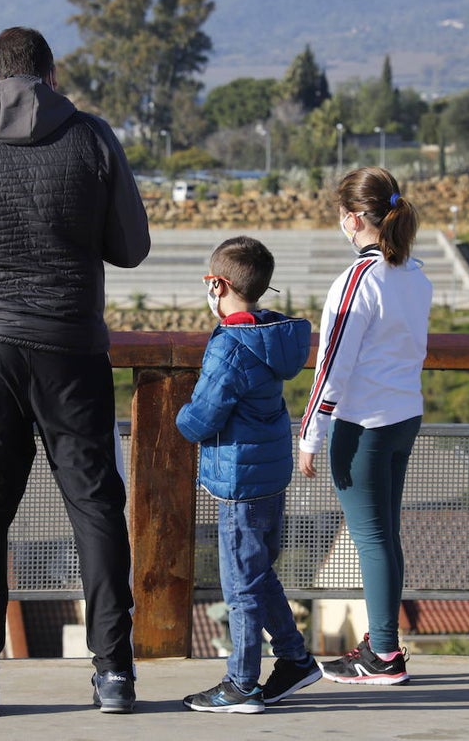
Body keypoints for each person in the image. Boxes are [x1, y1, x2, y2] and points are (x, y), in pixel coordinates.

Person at [0, 26, 151, 717]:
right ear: (52, 76)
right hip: (73, 347)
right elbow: (131, 247)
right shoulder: (92, 135)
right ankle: (114, 675)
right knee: (97, 507)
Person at [298, 166, 432, 685]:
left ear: (353, 218)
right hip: (404, 416)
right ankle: (382, 643)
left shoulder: (359, 279)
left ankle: (384, 656)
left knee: (372, 539)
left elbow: (332, 365)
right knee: (385, 536)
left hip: (363, 426)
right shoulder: (413, 273)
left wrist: (310, 434)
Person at [176, 236, 320, 714]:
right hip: (269, 471)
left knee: (239, 585)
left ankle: (242, 684)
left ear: (218, 284)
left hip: (239, 479)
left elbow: (201, 418)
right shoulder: (270, 335)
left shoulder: (230, 347)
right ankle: (296, 660)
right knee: (257, 573)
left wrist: (180, 418)